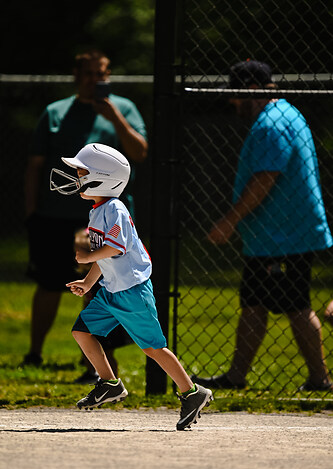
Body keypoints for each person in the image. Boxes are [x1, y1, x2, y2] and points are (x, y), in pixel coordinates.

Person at [50, 142, 213, 430]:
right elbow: (107, 257)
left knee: (153, 348)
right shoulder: (97, 211)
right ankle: (110, 384)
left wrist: (87, 256)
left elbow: (115, 247)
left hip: (133, 291)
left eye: (81, 171)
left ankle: (192, 393)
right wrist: (89, 282)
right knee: (82, 332)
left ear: (103, 178)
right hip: (111, 290)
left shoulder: (115, 209)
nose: (76, 177)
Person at [192, 60, 333, 392]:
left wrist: (229, 221)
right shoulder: (286, 113)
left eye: (235, 94)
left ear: (251, 90)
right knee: (253, 302)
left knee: (296, 305)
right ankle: (237, 376)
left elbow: (265, 178)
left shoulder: (271, 124)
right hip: (275, 234)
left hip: (285, 236)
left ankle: (321, 379)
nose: (231, 101)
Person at [23, 49, 147, 379]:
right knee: (49, 282)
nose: (96, 80)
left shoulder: (124, 109)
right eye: (89, 74)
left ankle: (96, 364)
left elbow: (139, 153)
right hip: (55, 213)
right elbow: (36, 165)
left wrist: (113, 116)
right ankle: (34, 353)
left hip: (102, 216)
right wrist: (32, 211)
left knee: (97, 283)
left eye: (102, 73)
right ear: (77, 76)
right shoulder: (56, 112)